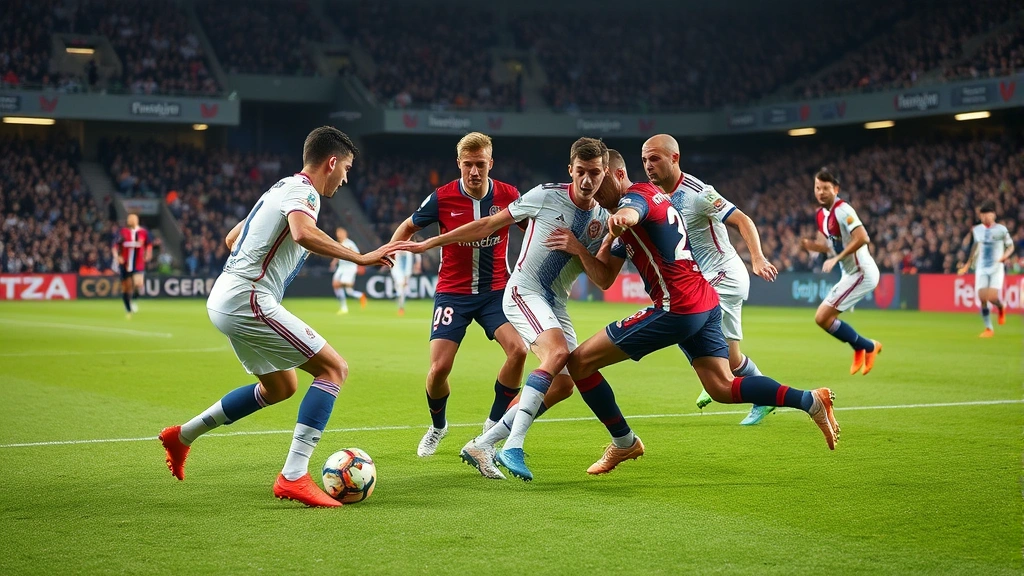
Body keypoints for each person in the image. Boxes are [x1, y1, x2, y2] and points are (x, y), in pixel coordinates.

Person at [158, 126, 398, 508]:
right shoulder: (305, 192)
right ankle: (293, 476)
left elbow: (232, 238)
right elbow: (302, 234)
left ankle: (182, 436)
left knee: (281, 388)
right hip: (248, 298)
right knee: (334, 369)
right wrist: (360, 257)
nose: (345, 178)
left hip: (226, 296)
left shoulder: (280, 187)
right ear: (331, 162)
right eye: (346, 168)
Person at [561, 157, 840, 476]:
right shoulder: (648, 201)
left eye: (599, 181)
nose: (593, 190)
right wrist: (582, 247)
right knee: (722, 387)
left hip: (676, 307)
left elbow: (632, 211)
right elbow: (604, 278)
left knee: (579, 362)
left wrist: (620, 219)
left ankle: (624, 441)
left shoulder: (636, 198)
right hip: (703, 300)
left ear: (618, 174)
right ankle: (809, 400)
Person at [401, 138, 619, 481]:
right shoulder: (543, 195)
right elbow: (486, 225)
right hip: (499, 291)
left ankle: (487, 436)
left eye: (595, 173)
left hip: (528, 297)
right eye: (581, 171)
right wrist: (427, 243)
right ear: (571, 170)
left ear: (606, 173)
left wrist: (579, 248)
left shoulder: (604, 220)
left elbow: (604, 278)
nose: (587, 180)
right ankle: (465, 432)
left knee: (563, 382)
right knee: (441, 368)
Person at [389, 132, 528, 457]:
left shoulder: (509, 195)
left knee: (519, 351)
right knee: (438, 370)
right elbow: (409, 226)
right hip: (453, 292)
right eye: (468, 165)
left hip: (496, 292)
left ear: (491, 163)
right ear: (458, 164)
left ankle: (492, 427)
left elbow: (532, 229)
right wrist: (391, 251)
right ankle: (438, 426)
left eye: (480, 164)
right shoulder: (442, 198)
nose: (474, 171)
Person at [635, 135, 780, 426]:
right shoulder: (656, 195)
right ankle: (754, 390)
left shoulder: (699, 192)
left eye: (655, 158)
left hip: (724, 275)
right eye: (645, 160)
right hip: (704, 278)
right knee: (733, 359)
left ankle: (716, 375)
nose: (648, 166)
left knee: (683, 318)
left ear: (674, 158)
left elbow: (742, 220)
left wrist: (758, 258)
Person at [799, 167, 882, 375]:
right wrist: (813, 247)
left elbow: (863, 237)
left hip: (862, 272)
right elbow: (832, 246)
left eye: (825, 188)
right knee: (824, 319)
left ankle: (866, 346)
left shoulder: (843, 210)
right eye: (817, 188)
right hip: (849, 273)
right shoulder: (821, 215)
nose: (821, 192)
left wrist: (836, 258)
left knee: (822, 317)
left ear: (836, 189)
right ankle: (863, 346)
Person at [958, 200, 1014, 337]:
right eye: (982, 215)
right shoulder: (977, 230)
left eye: (987, 214)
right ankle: (989, 328)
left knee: (992, 297)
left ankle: (1001, 306)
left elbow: (1011, 246)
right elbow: (975, 246)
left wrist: (1005, 256)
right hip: (982, 267)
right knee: (982, 298)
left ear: (993, 215)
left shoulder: (1001, 229)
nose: (984, 217)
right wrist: (968, 264)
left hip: (996, 267)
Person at [112, 213, 152, 318]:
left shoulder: (143, 232)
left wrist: (148, 254)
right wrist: (117, 257)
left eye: (134, 219)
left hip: (138, 263)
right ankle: (128, 308)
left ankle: (134, 301)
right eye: (130, 219)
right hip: (125, 263)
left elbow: (149, 244)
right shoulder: (122, 232)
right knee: (127, 287)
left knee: (139, 284)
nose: (132, 221)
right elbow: (115, 245)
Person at [329, 227, 366, 314]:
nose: (339, 234)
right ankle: (345, 306)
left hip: (350, 267)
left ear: (345, 234)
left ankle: (357, 297)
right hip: (341, 267)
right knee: (346, 290)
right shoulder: (340, 243)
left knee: (342, 286)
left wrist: (359, 264)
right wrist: (334, 262)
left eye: (340, 233)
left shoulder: (349, 244)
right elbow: (338, 255)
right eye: (337, 233)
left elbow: (357, 254)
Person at [390, 248, 420, 316]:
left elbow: (408, 266)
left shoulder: (408, 254)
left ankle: (401, 307)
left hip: (403, 275)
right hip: (397, 274)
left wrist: (406, 277)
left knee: (402, 291)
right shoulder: (397, 253)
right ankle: (398, 298)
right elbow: (394, 265)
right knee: (400, 289)